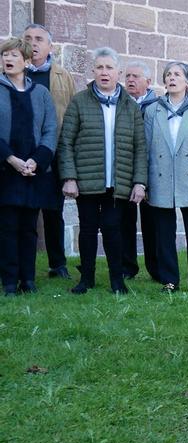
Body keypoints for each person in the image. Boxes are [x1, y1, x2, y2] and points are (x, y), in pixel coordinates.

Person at [57, 46, 148, 295]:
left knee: (113, 231)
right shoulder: (79, 101)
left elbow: (140, 147)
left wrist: (139, 182)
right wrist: (69, 178)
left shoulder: (130, 105)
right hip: (86, 181)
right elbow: (66, 142)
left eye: (109, 68)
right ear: (93, 71)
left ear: (118, 72)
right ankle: (86, 279)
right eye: (99, 67)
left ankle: (117, 281)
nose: (104, 72)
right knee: (87, 230)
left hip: (117, 183)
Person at [143, 61, 188, 293]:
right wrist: (145, 182)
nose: (171, 78)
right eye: (168, 74)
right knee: (163, 233)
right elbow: (146, 148)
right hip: (160, 178)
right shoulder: (153, 111)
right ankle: (169, 280)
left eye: (177, 74)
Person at [0, 37, 57, 295]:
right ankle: (10, 282)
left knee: (29, 228)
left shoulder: (41, 94)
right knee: (8, 228)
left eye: (13, 55)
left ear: (25, 61)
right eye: (4, 56)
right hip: (5, 170)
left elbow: (50, 130)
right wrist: (11, 159)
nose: (7, 60)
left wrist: (36, 160)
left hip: (33, 172)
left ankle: (28, 279)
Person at [23, 24, 75, 280]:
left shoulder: (63, 76)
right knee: (24, 214)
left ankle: (58, 264)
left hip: (52, 154)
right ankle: (23, 266)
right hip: (20, 157)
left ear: (50, 46)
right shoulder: (10, 74)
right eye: (28, 39)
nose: (34, 43)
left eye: (39, 39)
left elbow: (70, 116)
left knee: (54, 212)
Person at [121, 61, 160, 281]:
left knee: (152, 223)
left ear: (148, 81)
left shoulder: (159, 105)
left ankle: (156, 269)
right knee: (124, 220)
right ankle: (127, 267)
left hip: (152, 172)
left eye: (136, 76)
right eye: (127, 76)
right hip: (126, 170)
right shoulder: (121, 104)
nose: (130, 80)